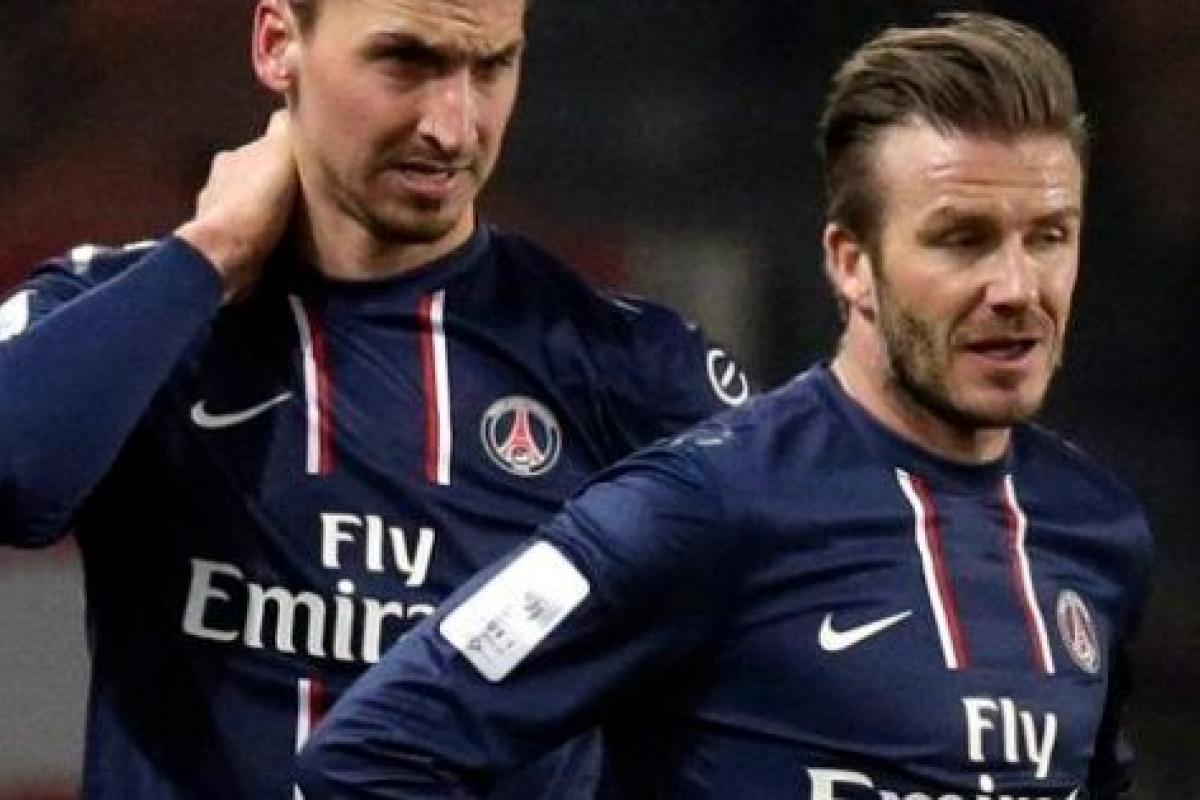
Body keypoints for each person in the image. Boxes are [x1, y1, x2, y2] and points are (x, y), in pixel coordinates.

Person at [296, 12, 1151, 800]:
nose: (1017, 288)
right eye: (962, 239)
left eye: (1049, 236)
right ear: (851, 263)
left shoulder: (1098, 530)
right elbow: (374, 754)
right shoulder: (699, 505)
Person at [0, 0, 750, 797]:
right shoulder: (129, 310)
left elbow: (799, 650)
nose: (454, 129)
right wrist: (212, 251)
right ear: (277, 44)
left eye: (492, 66)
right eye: (406, 61)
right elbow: (14, 480)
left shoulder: (632, 367)